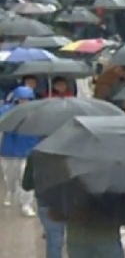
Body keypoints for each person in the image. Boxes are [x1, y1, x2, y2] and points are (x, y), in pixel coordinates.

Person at [0, 86, 38, 217]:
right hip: (9, 151)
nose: (24, 102)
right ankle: (12, 192)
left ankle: (26, 204)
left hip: (28, 151)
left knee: (26, 179)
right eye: (21, 99)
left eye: (27, 99)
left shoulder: (37, 113)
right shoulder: (6, 111)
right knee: (10, 178)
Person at [23, 153, 65, 258]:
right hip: (73, 201)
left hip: (47, 201)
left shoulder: (36, 154)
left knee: (54, 239)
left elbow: (27, 185)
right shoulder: (76, 152)